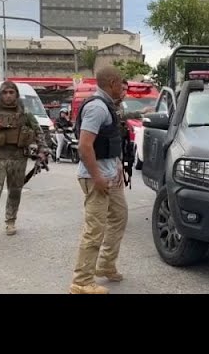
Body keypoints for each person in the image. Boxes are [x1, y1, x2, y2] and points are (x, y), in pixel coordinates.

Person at [69, 66, 127, 295]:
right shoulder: (96, 107)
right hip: (96, 179)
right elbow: (84, 146)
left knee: (119, 217)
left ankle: (105, 265)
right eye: (120, 83)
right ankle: (81, 282)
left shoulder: (108, 107)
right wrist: (97, 177)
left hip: (109, 175)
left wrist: (118, 166)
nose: (122, 87)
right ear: (112, 82)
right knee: (94, 230)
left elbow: (111, 141)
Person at [0, 81, 48, 249]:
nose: (8, 96)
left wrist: (42, 150)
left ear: (16, 94)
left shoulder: (25, 113)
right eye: (5, 93)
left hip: (18, 158)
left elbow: (38, 132)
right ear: (1, 95)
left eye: (11, 92)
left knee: (15, 191)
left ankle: (10, 221)